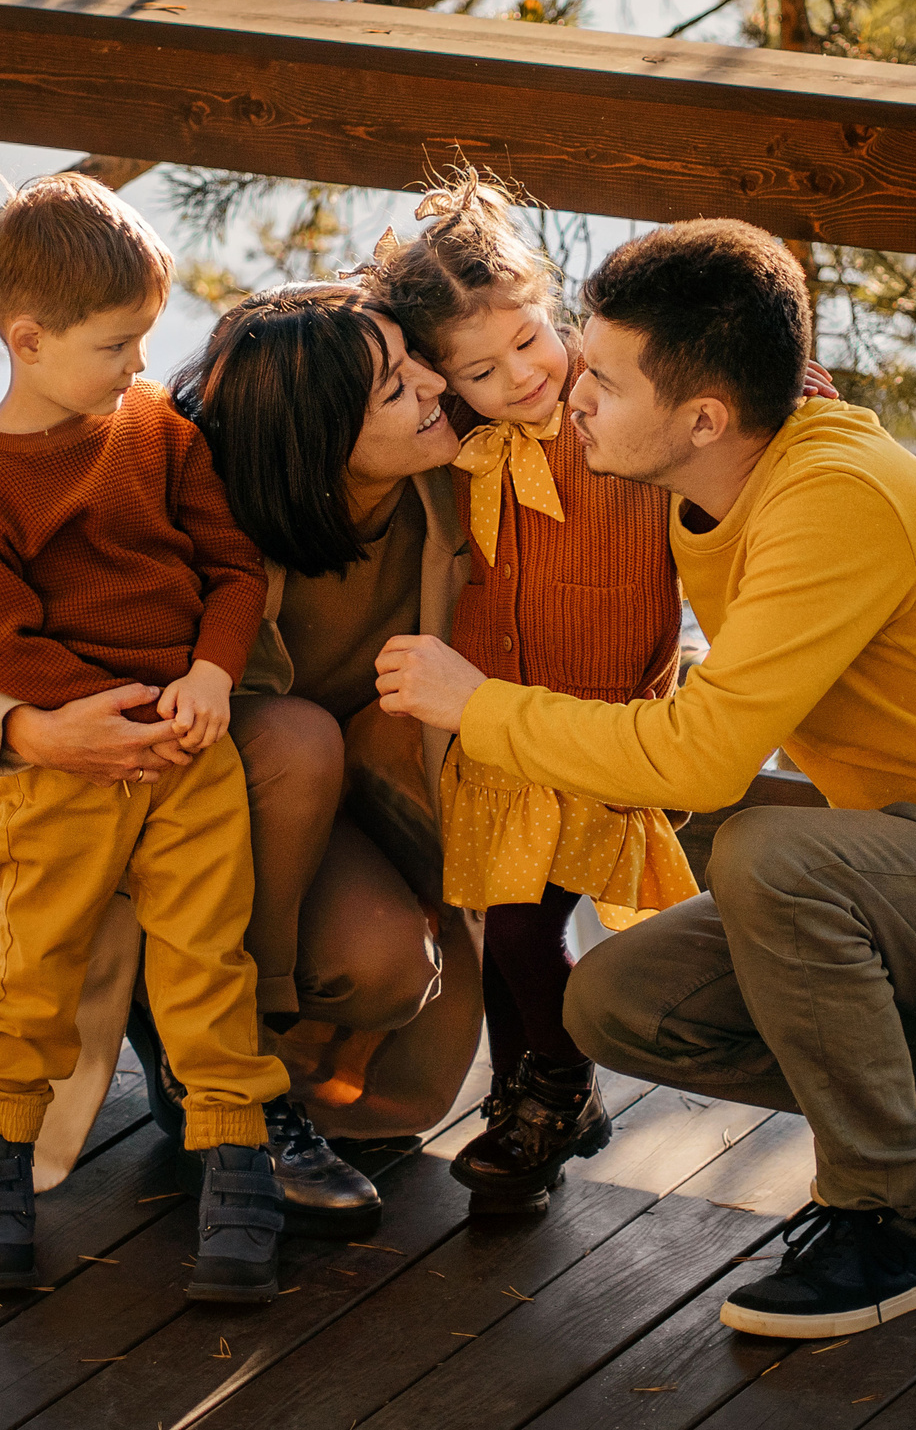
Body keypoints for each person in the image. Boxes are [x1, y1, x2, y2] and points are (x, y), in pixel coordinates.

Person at [376, 218, 916, 1339]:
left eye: (599, 379)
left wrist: (479, 707)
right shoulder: (715, 458)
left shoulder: (831, 499)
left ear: (703, 417)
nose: (569, 394)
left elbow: (703, 755)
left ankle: (898, 1222)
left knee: (765, 847)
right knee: (613, 1002)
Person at [0, 281, 481, 1245]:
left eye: (414, 357)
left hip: (314, 805)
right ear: (315, 432)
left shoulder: (460, 467)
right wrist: (33, 730)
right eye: (392, 381)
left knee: (385, 970)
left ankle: (239, 1070)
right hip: (145, 780)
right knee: (291, 737)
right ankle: (225, 1079)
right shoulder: (171, 459)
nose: (433, 382)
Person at [0, 173, 286, 1304]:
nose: (139, 366)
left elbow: (231, 565)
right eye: (117, 344)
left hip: (187, 751)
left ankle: (236, 1159)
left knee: (207, 961)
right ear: (25, 341)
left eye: (144, 340)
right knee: (30, 968)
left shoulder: (156, 434)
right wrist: (88, 721)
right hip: (77, 759)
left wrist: (212, 673)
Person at [361, 175, 694, 1215]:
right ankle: (524, 1104)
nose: (520, 376)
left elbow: (729, 396)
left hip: (594, 724)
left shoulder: (623, 413)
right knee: (503, 931)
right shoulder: (451, 437)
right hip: (490, 724)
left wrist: (794, 389)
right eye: (479, 369)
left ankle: (561, 1086)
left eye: (531, 341)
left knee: (520, 932)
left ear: (556, 313)